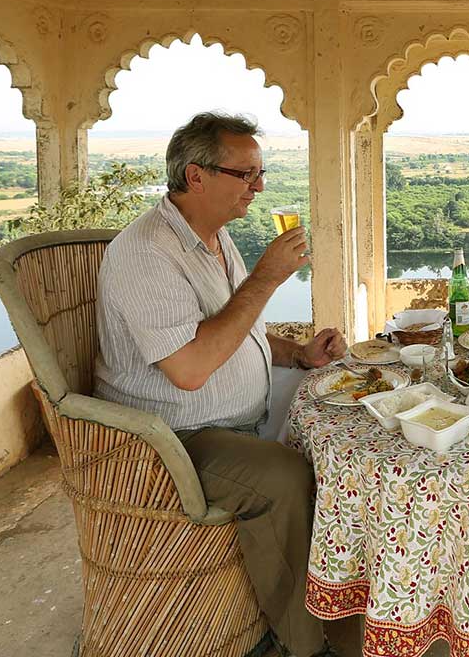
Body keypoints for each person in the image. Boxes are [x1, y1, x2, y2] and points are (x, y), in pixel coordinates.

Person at [94, 111, 345, 657]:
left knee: (344, 415)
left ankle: (346, 588)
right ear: (196, 176)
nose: (259, 188)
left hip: (236, 412)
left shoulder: (212, 237)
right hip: (175, 437)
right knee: (283, 476)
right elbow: (187, 370)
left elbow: (237, 327)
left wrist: (298, 353)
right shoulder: (147, 253)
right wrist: (265, 278)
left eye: (260, 173)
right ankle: (303, 645)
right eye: (246, 174)